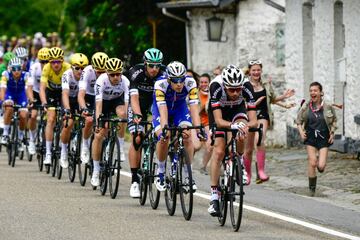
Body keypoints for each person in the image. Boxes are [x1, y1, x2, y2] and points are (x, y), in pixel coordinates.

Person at [207, 65, 257, 217]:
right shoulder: (216, 86)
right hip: (219, 112)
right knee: (219, 150)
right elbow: (219, 120)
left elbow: (254, 121)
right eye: (231, 90)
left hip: (237, 110)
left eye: (238, 89)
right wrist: (231, 125)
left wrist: (244, 126)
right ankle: (214, 195)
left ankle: (239, 161)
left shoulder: (247, 87)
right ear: (225, 86)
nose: (235, 93)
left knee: (242, 131)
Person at [152, 61, 205, 192]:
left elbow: (193, 108)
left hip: (180, 110)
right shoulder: (160, 84)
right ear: (169, 79)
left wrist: (198, 129)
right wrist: (165, 128)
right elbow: (162, 110)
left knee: (187, 136)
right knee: (164, 137)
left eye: (181, 80)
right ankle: (161, 172)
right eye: (175, 81)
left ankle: (188, 175)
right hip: (161, 110)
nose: (179, 84)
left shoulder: (191, 82)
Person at [243, 59, 295, 184]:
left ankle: (261, 171)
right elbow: (240, 104)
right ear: (249, 71)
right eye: (254, 70)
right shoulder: (244, 85)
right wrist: (254, 104)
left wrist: (285, 99)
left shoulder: (266, 84)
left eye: (258, 70)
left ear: (261, 71)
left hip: (263, 116)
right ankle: (248, 174)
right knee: (248, 149)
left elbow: (272, 99)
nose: (256, 72)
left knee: (259, 139)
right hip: (248, 117)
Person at [126, 48, 165, 198]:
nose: (155, 69)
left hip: (156, 103)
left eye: (157, 65)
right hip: (139, 103)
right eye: (151, 65)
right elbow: (133, 98)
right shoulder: (136, 72)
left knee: (162, 133)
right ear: (145, 63)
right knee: (137, 136)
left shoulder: (164, 73)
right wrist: (137, 114)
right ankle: (135, 180)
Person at [91, 58, 129, 187]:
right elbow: (98, 104)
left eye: (118, 74)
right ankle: (96, 170)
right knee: (99, 135)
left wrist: (127, 119)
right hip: (103, 103)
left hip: (116, 101)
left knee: (123, 115)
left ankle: (121, 145)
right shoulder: (101, 81)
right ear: (107, 74)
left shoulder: (125, 82)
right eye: (112, 74)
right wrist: (97, 122)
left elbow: (127, 102)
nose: (116, 77)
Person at [296, 81, 337, 196]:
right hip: (310, 137)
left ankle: (319, 167)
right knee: (312, 162)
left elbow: (334, 121)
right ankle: (312, 189)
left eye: (315, 90)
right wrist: (301, 132)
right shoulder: (306, 106)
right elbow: (298, 121)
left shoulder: (328, 106)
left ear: (320, 93)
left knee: (321, 166)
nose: (312, 93)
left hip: (324, 138)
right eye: (311, 91)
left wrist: (332, 134)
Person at [40, 47, 71, 165]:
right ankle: (48, 153)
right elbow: (42, 89)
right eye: (53, 62)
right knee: (51, 119)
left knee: (67, 120)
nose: (56, 64)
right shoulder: (47, 68)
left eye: (58, 61)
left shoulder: (67, 68)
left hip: (64, 92)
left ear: (62, 61)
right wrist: (44, 103)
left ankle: (64, 149)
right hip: (51, 92)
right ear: (49, 62)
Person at [78, 52, 109, 164]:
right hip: (89, 97)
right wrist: (84, 107)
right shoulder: (87, 71)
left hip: (102, 98)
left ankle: (104, 148)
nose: (101, 74)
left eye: (103, 71)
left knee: (106, 124)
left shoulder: (110, 72)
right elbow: (81, 94)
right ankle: (85, 144)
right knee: (89, 120)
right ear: (93, 67)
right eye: (99, 72)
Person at [60, 53, 89, 168]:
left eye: (83, 68)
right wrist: (67, 109)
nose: (80, 71)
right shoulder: (67, 75)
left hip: (81, 100)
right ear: (72, 67)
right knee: (69, 124)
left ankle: (84, 145)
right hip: (69, 100)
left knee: (88, 120)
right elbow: (65, 93)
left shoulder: (87, 75)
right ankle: (64, 151)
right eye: (77, 68)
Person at [0, 58, 29, 147]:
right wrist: (3, 100)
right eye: (14, 69)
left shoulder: (26, 75)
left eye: (18, 68)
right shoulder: (6, 74)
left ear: (22, 68)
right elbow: (2, 89)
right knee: (9, 108)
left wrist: (30, 100)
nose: (16, 71)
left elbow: (28, 89)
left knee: (23, 115)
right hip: (10, 94)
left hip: (21, 95)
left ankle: (20, 137)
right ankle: (5, 134)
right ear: (10, 68)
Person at [26, 47, 50, 155]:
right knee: (33, 115)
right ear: (38, 61)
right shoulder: (34, 68)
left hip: (47, 92)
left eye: (47, 61)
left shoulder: (52, 68)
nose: (44, 64)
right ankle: (31, 139)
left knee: (50, 116)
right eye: (42, 62)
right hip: (36, 92)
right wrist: (31, 100)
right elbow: (29, 87)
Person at [191, 73, 213, 175]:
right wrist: (203, 106)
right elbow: (194, 111)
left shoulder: (212, 93)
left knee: (210, 145)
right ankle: (188, 163)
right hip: (196, 122)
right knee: (196, 146)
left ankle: (203, 166)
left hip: (207, 123)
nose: (204, 84)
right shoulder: (194, 93)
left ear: (209, 83)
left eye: (206, 82)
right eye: (202, 82)